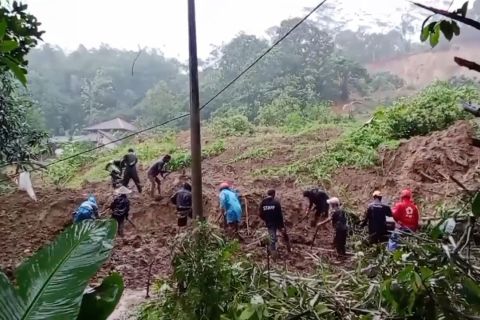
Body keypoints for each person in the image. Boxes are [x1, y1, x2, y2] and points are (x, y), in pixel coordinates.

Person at [259, 189, 291, 254]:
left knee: (272, 238)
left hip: (270, 223)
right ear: (273, 194)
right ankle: (289, 249)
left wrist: (266, 220)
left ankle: (273, 254)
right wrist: (282, 226)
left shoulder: (263, 203)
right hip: (278, 222)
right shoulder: (276, 202)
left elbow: (261, 214)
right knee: (284, 235)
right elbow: (280, 215)